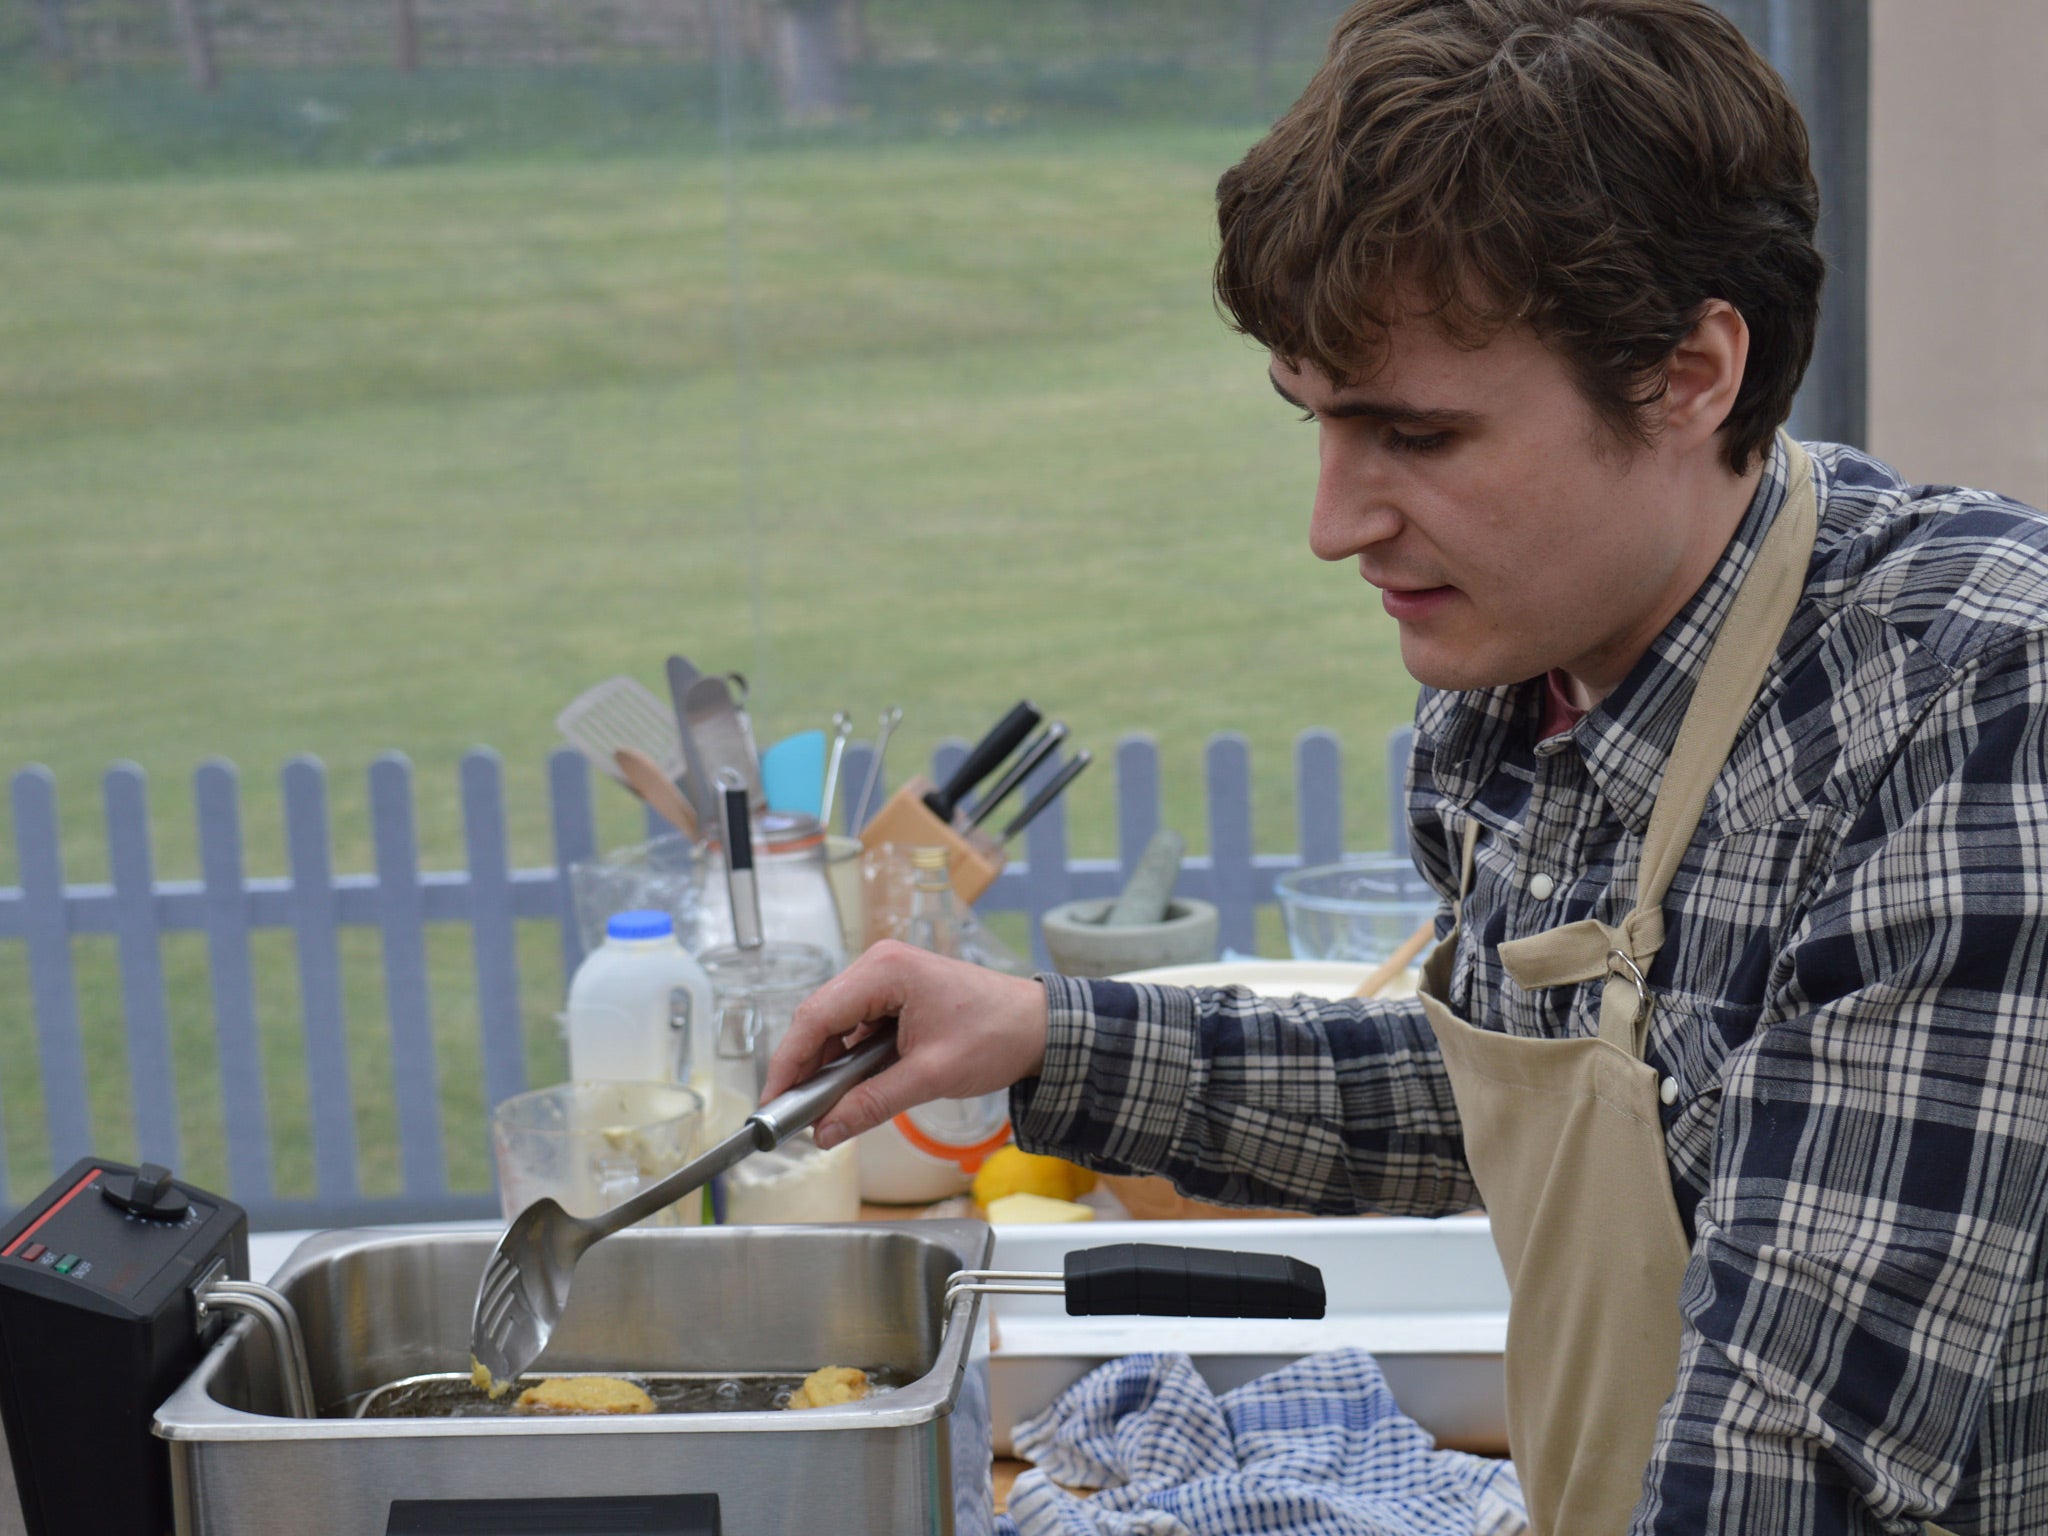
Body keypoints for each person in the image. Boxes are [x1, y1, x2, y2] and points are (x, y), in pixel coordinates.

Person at [764, 2, 2048, 1531]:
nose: (1333, 524)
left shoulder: (1973, 707)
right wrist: (1040, 1041)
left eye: (1417, 437)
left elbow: (1789, 1461)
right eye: (1313, 421)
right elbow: (1518, 1100)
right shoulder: (1524, 673)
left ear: (1693, 370)